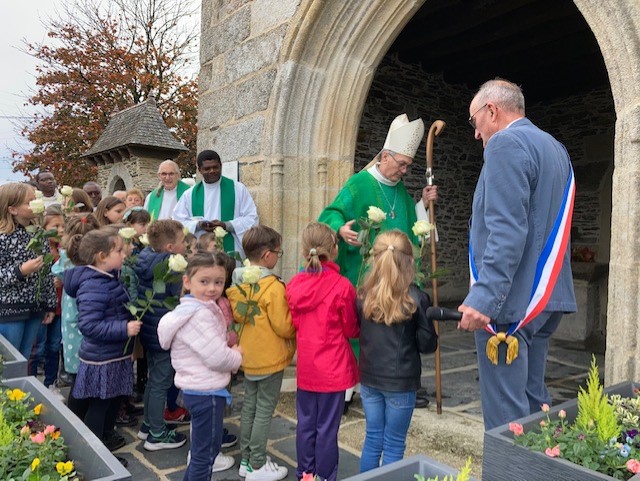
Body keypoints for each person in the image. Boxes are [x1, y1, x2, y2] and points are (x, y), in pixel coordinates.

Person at [457, 79, 576, 430]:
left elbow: (507, 228)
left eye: (474, 121)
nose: (476, 133)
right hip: (546, 299)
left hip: (510, 305)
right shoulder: (556, 148)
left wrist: (485, 297)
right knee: (533, 407)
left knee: (505, 423)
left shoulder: (505, 144)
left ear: (492, 111)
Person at [318, 113, 437, 410]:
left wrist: (422, 203)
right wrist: (339, 229)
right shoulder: (359, 184)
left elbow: (408, 222)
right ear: (385, 156)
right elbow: (332, 212)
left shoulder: (399, 190)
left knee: (394, 334)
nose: (405, 171)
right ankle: (347, 392)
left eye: (408, 165)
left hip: (396, 279)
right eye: (402, 164)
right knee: (362, 333)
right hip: (365, 274)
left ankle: (395, 384)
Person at [357, 230, 437, 472]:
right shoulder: (415, 297)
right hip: (401, 383)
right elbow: (427, 345)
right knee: (393, 444)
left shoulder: (364, 295)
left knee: (372, 439)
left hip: (369, 379)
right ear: (409, 262)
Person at [158, 252, 242, 480]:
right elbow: (216, 357)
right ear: (187, 281)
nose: (212, 288)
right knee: (205, 456)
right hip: (207, 392)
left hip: (197, 389)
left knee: (202, 453)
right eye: (204, 282)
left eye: (218, 282)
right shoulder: (199, 315)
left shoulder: (192, 309)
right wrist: (236, 355)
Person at [286, 222, 359, 481]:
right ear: (334, 248)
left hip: (307, 367)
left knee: (306, 425)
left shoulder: (294, 284)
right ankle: (326, 476)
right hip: (333, 368)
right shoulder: (342, 286)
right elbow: (351, 329)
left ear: (304, 250)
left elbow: (295, 322)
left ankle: (305, 473)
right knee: (327, 428)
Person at [63, 228, 141, 464]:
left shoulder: (107, 277)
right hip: (101, 360)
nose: (124, 254)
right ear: (101, 256)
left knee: (112, 402)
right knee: (99, 406)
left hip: (113, 355)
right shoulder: (93, 285)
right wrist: (124, 329)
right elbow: (89, 325)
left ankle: (106, 436)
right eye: (118, 250)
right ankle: (96, 456)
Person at [226, 225, 295, 481]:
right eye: (279, 252)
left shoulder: (237, 282)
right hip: (270, 359)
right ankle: (257, 463)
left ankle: (245, 459)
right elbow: (283, 325)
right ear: (267, 255)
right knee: (264, 410)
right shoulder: (273, 287)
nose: (279, 256)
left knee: (250, 409)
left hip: (249, 357)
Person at [132, 220, 188, 451]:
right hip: (162, 331)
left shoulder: (146, 255)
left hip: (149, 328)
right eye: (182, 241)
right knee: (160, 382)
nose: (186, 245)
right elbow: (175, 296)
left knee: (154, 378)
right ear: (170, 248)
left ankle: (148, 424)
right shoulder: (169, 266)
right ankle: (156, 434)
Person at [0, 183, 56, 358]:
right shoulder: (3, 237)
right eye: (28, 202)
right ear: (12, 209)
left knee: (26, 357)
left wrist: (50, 304)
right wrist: (20, 271)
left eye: (35, 200)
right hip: (9, 309)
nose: (34, 204)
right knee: (10, 359)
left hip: (34, 306)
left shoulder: (39, 234)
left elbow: (46, 272)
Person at [52, 213, 100, 415]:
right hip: (84, 327)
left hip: (71, 324)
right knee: (83, 382)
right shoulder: (90, 265)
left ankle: (77, 418)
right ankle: (78, 420)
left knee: (78, 378)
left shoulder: (66, 261)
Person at [173, 150, 258, 256]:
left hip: (231, 250)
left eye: (215, 167)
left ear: (221, 166)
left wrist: (227, 225)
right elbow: (178, 222)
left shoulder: (238, 189)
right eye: (207, 168)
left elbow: (252, 219)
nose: (212, 171)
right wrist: (198, 225)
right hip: (202, 252)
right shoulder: (189, 194)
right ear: (199, 170)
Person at [28, 206, 65, 400]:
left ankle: (51, 382)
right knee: (38, 348)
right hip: (43, 305)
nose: (60, 230)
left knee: (54, 346)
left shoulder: (63, 250)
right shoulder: (37, 248)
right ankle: (31, 383)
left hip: (60, 305)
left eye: (62, 226)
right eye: (55, 226)